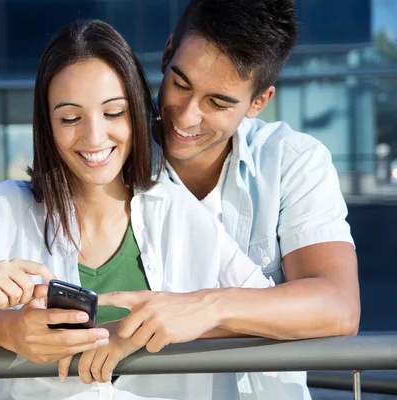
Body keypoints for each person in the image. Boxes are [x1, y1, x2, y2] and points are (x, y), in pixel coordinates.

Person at [0, 19, 275, 400]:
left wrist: (160, 324)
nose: (94, 137)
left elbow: (263, 311)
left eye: (113, 113)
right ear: (48, 126)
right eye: (70, 118)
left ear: (137, 114)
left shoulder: (174, 210)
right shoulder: (6, 208)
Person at [99, 0, 360, 397]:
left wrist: (207, 308)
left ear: (259, 102)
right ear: (168, 53)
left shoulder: (292, 161)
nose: (186, 117)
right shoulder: (108, 158)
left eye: (217, 103)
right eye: (180, 84)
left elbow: (338, 305)